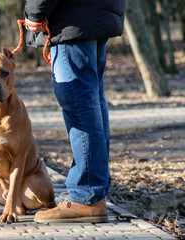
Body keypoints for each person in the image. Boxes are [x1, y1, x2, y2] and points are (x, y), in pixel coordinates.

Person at [24, 0, 126, 223]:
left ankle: (86, 196)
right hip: (94, 14)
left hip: (72, 19)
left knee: (79, 101)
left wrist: (34, 12)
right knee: (92, 100)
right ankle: (93, 194)